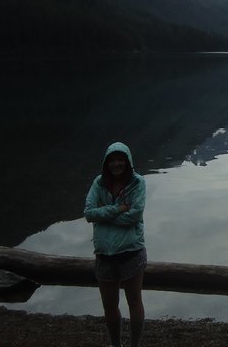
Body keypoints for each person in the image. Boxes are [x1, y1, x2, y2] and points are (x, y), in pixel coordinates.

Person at [84, 142, 147, 347]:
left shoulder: (138, 183)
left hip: (131, 251)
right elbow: (88, 213)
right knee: (109, 306)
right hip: (104, 253)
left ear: (127, 161)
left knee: (134, 302)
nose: (116, 164)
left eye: (120, 160)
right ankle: (116, 345)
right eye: (112, 160)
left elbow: (135, 215)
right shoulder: (98, 183)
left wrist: (104, 215)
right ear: (106, 162)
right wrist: (118, 209)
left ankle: (134, 345)